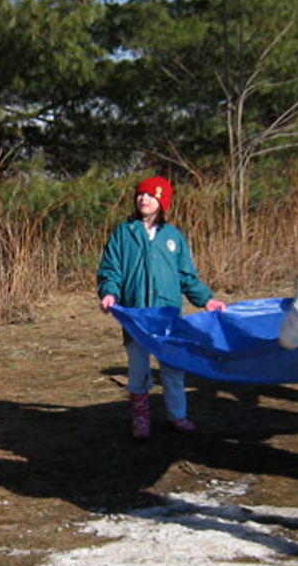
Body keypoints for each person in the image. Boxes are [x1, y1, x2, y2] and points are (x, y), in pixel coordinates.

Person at [96, 175, 226, 439]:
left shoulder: (173, 236)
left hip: (167, 315)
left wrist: (206, 299)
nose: (144, 199)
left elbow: (186, 276)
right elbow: (110, 270)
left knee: (172, 368)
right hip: (135, 316)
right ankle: (141, 419)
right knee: (138, 368)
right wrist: (109, 293)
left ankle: (177, 415)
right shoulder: (124, 233)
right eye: (141, 194)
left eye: (152, 195)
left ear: (162, 202)